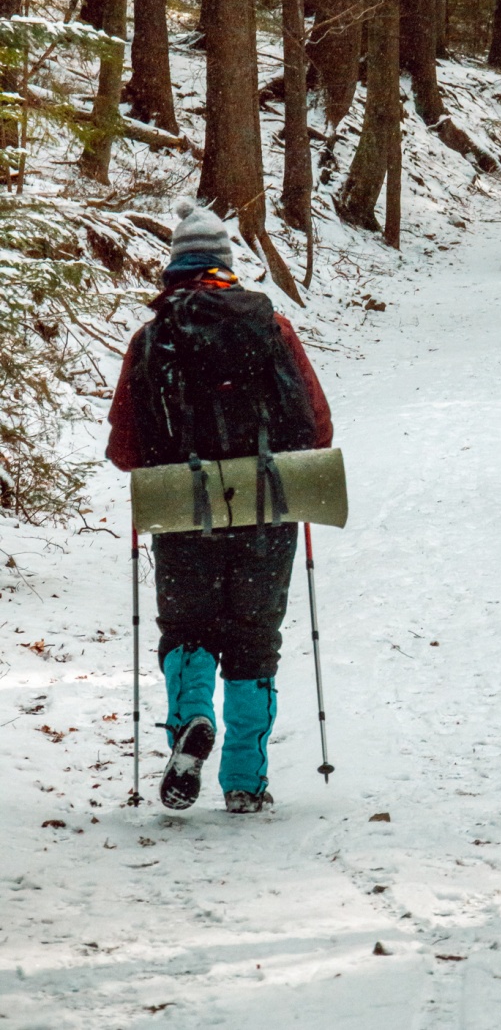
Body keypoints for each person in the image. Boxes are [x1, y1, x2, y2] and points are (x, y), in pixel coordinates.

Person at [107, 197, 332, 815]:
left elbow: (125, 446)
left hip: (184, 513)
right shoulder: (272, 326)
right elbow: (315, 427)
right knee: (255, 639)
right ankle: (244, 783)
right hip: (266, 506)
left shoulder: (153, 338)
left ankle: (191, 720)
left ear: (175, 268)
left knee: (188, 630)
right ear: (228, 266)